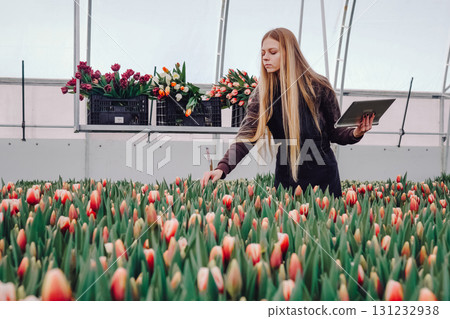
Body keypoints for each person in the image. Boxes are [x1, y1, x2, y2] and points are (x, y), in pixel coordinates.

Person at [200, 27, 374, 198]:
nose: (265, 58)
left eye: (272, 52)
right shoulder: (264, 93)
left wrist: (356, 132)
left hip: (325, 179)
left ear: (289, 53)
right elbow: (246, 137)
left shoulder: (319, 86)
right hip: (287, 179)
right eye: (263, 53)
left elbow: (336, 133)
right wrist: (221, 169)